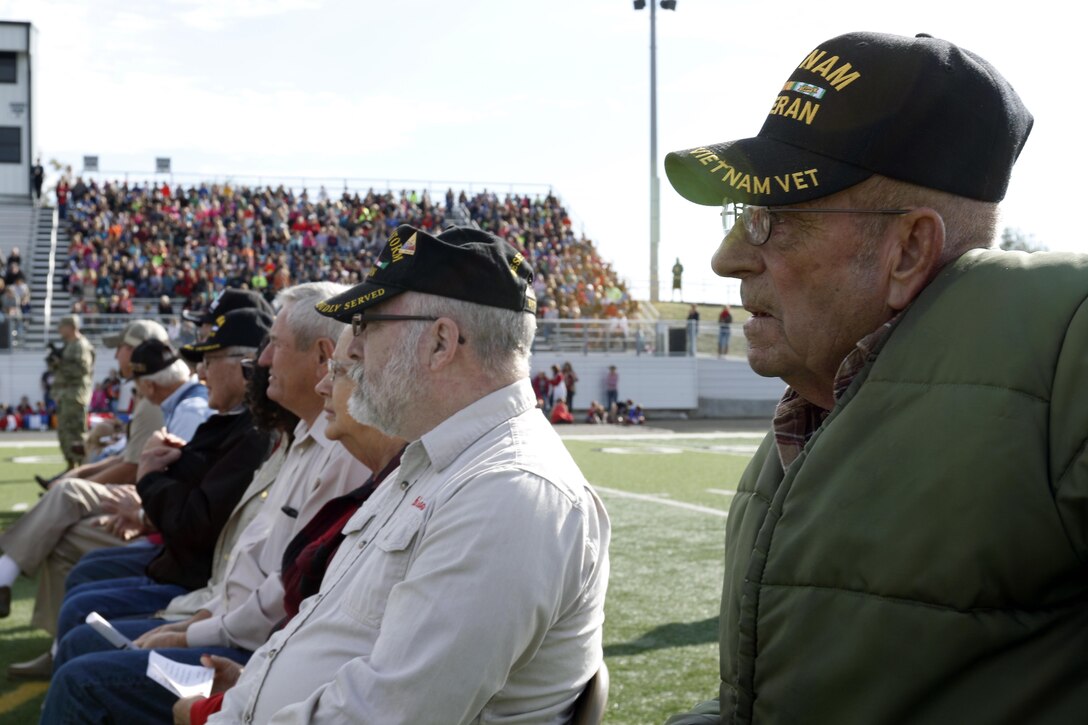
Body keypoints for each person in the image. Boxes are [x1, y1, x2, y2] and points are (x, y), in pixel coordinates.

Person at [661, 31, 1087, 724]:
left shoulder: (1061, 355)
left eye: (776, 218)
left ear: (908, 250)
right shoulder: (809, 417)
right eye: (742, 214)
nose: (727, 257)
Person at [204, 223, 610, 723]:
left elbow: (388, 713)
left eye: (369, 324)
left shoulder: (508, 492)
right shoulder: (437, 463)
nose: (351, 349)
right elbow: (324, 626)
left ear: (441, 342)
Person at [48, 315, 96, 468]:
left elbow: (82, 370)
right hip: (65, 395)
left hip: (75, 395)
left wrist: (60, 364)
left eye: (62, 326)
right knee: (64, 432)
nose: (59, 330)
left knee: (76, 432)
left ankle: (82, 468)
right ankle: (71, 465)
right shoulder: (68, 345)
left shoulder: (80, 345)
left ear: (71, 327)